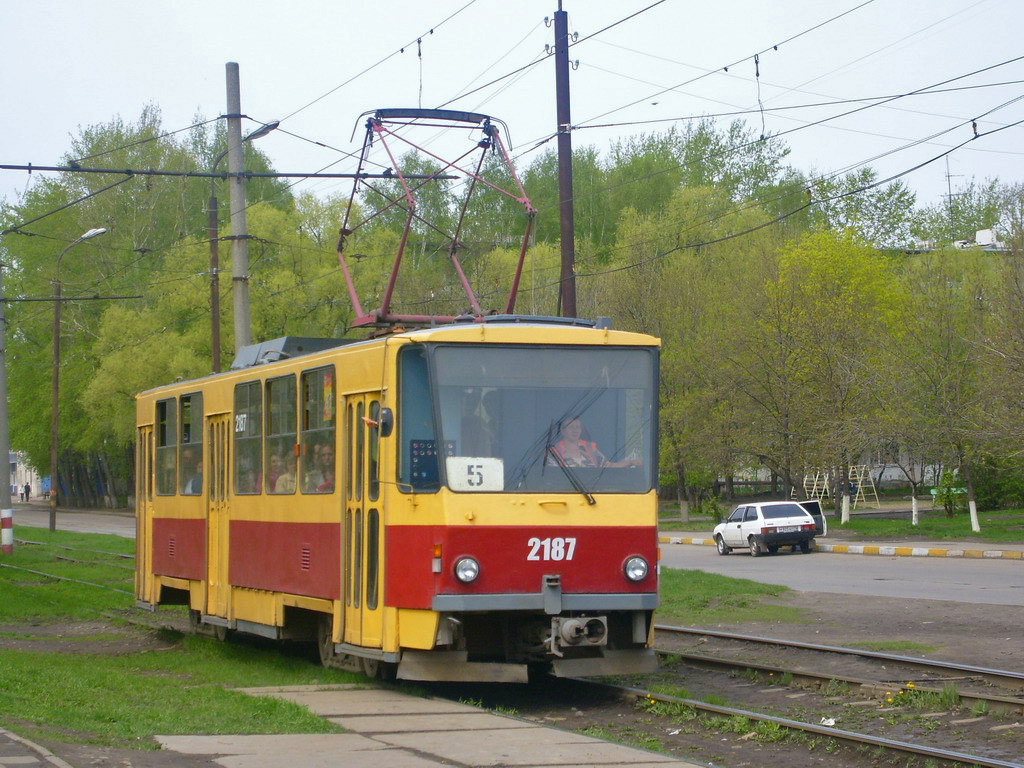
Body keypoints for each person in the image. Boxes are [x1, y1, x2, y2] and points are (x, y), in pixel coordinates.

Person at [548, 418, 640, 468]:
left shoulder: (589, 448)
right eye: (571, 427)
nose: (575, 430)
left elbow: (608, 466)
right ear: (562, 430)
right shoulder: (554, 451)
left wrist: (630, 462)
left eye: (578, 427)